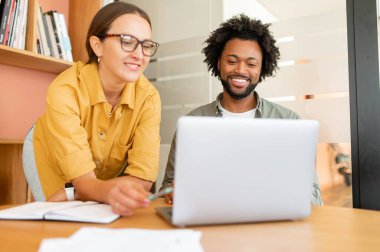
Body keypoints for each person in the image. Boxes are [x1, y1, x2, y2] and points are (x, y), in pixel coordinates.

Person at [160, 14, 323, 205]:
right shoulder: (191, 122)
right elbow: (168, 187)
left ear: (262, 69)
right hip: (210, 221)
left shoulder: (289, 122)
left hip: (270, 223)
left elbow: (313, 197)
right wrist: (173, 192)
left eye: (251, 64)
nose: (241, 70)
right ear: (219, 63)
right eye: (232, 61)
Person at [22, 2, 161, 216]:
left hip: (95, 179)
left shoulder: (149, 98)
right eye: (127, 41)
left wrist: (74, 193)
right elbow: (84, 181)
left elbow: (143, 180)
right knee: (59, 222)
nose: (139, 54)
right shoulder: (65, 89)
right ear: (97, 45)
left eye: (146, 45)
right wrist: (88, 188)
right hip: (50, 155)